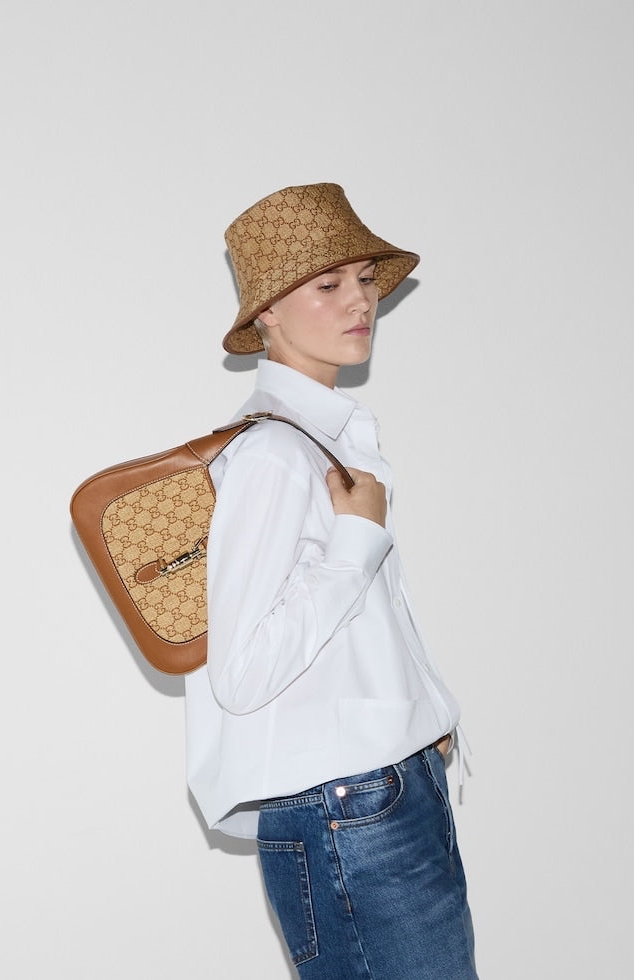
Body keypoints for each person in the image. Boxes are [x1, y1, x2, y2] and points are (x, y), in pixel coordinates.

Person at [184, 183, 477, 979]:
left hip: (383, 793)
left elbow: (354, 628)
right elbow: (241, 675)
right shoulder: (273, 458)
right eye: (328, 284)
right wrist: (355, 540)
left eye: (365, 279)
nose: (361, 301)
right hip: (351, 810)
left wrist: (420, 710)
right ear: (268, 314)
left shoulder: (325, 445)